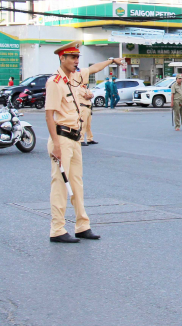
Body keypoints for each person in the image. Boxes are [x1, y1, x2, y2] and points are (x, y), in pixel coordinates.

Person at [44, 41, 123, 243]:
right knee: (61, 185)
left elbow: (94, 68)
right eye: (72, 57)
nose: (76, 61)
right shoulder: (55, 82)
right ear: (62, 58)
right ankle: (57, 229)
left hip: (75, 138)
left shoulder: (76, 78)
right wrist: (56, 145)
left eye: (78, 57)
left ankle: (82, 225)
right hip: (61, 138)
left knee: (77, 185)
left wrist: (112, 60)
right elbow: (49, 116)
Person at [79, 78, 97, 147]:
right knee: (83, 124)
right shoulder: (79, 88)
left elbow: (92, 95)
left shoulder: (86, 88)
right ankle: (81, 139)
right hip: (83, 107)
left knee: (88, 125)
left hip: (88, 107)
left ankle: (90, 139)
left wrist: (90, 96)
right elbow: (86, 96)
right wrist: (90, 96)